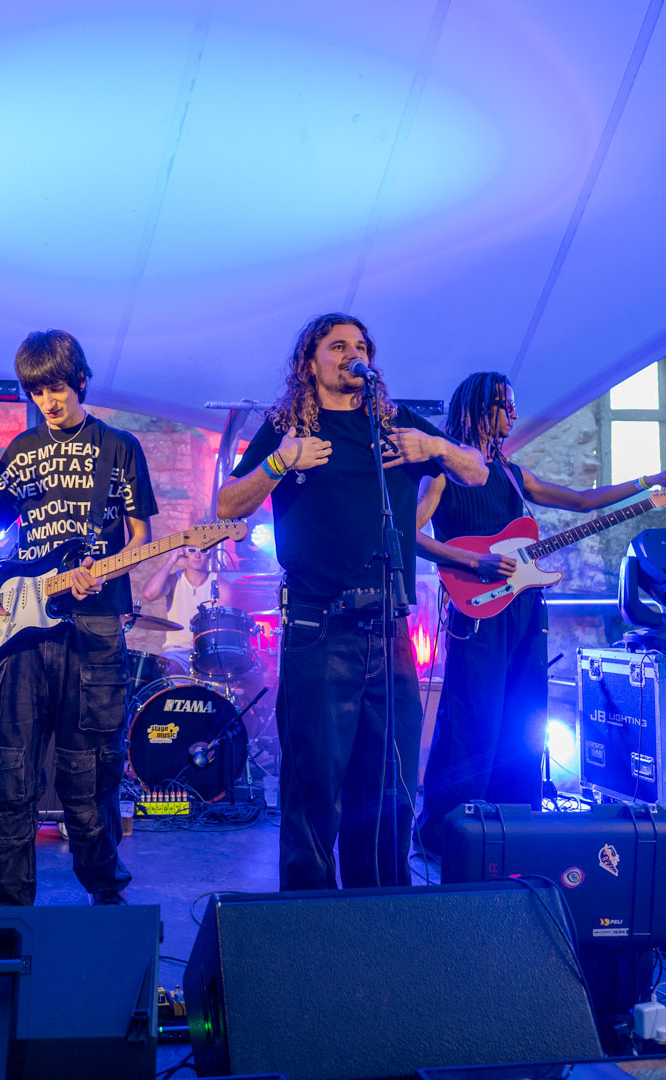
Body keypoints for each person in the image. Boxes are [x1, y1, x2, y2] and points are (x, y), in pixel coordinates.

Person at [217, 313, 487, 890]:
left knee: (390, 787)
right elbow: (227, 505)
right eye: (337, 346)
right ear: (309, 361)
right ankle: (312, 920)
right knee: (315, 787)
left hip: (389, 631)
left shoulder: (394, 425)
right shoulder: (288, 428)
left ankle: (380, 915)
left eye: (360, 346)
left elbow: (477, 472)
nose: (352, 354)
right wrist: (279, 462)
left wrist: (435, 445)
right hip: (318, 628)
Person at [414, 372, 666, 851]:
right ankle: (443, 835)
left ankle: (509, 828)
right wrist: (473, 562)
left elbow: (583, 501)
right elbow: (409, 534)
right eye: (505, 405)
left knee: (523, 718)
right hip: (475, 611)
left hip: (524, 610)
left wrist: (649, 483)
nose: (514, 414)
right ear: (480, 409)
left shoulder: (512, 476)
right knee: (472, 721)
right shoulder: (442, 471)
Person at [0, 329, 157, 906]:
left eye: (56, 388)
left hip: (95, 626)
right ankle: (6, 911)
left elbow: (141, 537)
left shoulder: (120, 446)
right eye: (36, 391)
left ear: (80, 381)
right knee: (9, 773)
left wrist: (107, 570)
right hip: (22, 629)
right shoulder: (22, 449)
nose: (47, 401)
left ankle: (107, 901)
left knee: (90, 777)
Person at [140, 544, 232, 669]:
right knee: (165, 671)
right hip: (176, 652)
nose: (197, 555)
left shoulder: (221, 585)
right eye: (192, 550)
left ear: (210, 553)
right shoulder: (174, 580)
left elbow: (225, 629)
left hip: (208, 653)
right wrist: (171, 560)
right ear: (184, 553)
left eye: (203, 550)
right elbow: (149, 594)